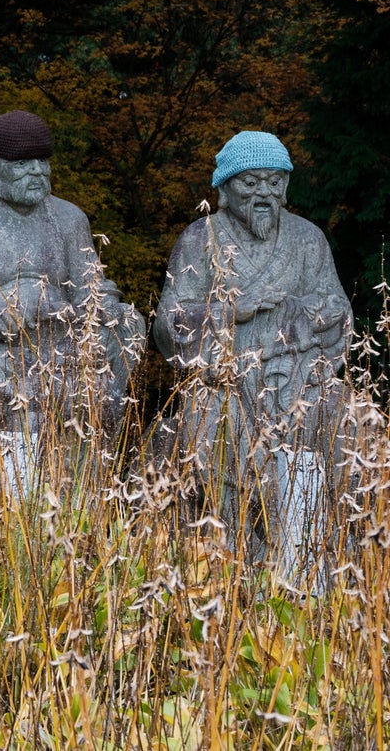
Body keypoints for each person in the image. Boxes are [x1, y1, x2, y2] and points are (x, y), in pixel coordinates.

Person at [154, 131, 351, 586]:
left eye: (274, 182)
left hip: (298, 378)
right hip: (225, 383)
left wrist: (304, 313)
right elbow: (168, 323)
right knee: (209, 420)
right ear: (224, 191)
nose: (264, 193)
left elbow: (340, 308)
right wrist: (229, 309)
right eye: (250, 183)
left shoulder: (309, 239)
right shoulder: (198, 239)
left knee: (347, 415)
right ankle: (240, 554)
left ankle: (324, 551)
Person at [0, 110, 143, 494]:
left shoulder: (70, 219)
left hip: (61, 344)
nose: (37, 171)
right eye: (22, 163)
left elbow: (92, 288)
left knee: (127, 330)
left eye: (43, 161)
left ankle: (88, 480)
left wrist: (107, 309)